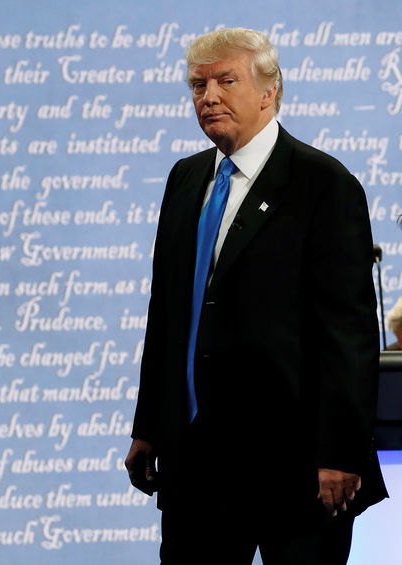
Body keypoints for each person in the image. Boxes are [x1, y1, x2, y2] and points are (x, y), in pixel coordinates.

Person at [125, 28, 386, 565]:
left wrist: (338, 452)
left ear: (269, 92)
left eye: (226, 81)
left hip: (296, 470)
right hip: (195, 465)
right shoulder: (185, 177)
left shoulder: (323, 183)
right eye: (198, 85)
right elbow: (170, 316)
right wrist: (149, 426)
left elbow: (349, 335)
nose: (209, 96)